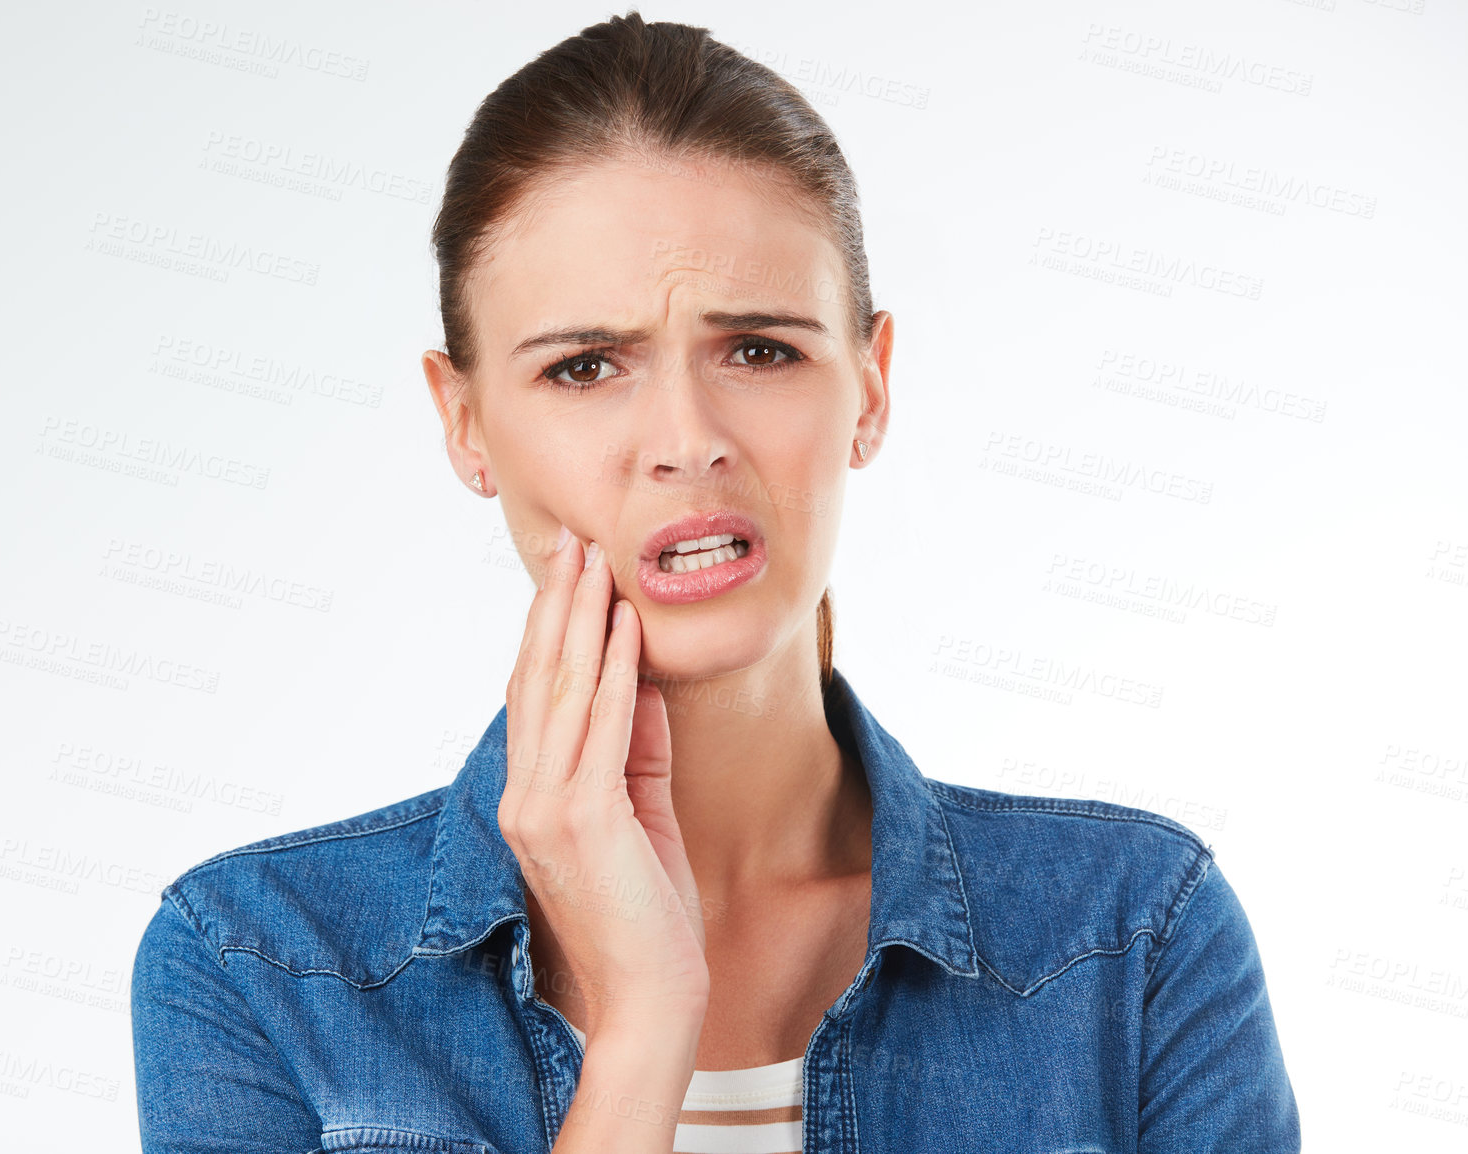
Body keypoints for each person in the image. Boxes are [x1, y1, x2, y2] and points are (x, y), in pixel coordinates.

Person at [130, 12, 1301, 1153]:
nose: (686, 439)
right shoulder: (256, 962)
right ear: (465, 422)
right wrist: (643, 1031)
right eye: (585, 367)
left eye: (760, 350)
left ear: (871, 386)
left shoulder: (1135, 934)